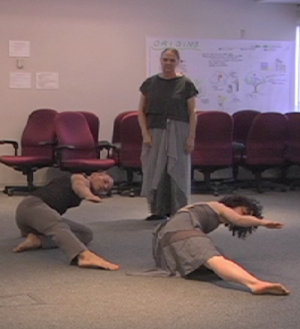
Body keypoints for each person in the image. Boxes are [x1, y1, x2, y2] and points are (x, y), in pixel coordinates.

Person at [151, 195, 289, 295]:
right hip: (181, 232)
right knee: (214, 258)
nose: (248, 217)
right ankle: (254, 283)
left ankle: (249, 281)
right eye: (245, 212)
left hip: (165, 239)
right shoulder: (219, 206)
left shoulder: (204, 209)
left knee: (213, 258)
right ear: (234, 204)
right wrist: (262, 223)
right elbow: (239, 219)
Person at [13, 172, 119, 271]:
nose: (105, 187)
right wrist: (88, 195)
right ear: (95, 175)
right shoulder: (80, 178)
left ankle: (39, 240)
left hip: (34, 222)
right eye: (105, 181)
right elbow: (79, 186)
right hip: (31, 207)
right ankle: (83, 256)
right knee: (58, 226)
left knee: (85, 234)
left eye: (107, 189)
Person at [138, 47, 198, 220]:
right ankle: (157, 210)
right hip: (155, 130)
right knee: (155, 170)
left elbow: (192, 113)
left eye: (172, 60)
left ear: (177, 62)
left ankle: (179, 211)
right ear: (160, 60)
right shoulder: (149, 83)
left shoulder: (186, 84)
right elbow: (141, 111)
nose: (168, 63)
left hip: (179, 132)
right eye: (165, 59)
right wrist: (145, 134)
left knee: (177, 169)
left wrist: (191, 137)